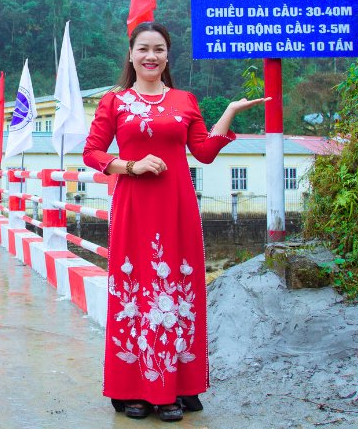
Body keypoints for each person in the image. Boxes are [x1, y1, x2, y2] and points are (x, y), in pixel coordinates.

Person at [82, 21, 267, 422]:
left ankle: (172, 390)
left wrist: (230, 114)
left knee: (176, 292)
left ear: (168, 56)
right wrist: (129, 165)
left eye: (159, 49)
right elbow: (92, 152)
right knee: (135, 292)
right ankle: (133, 389)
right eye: (144, 49)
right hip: (133, 204)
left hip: (177, 207)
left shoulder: (185, 100)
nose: (151, 56)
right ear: (131, 55)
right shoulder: (114, 102)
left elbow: (203, 153)